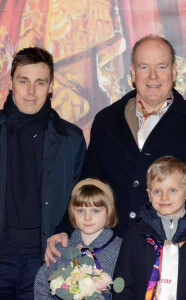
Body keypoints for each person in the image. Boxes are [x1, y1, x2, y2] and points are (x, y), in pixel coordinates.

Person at [46, 34, 186, 265]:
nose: (153, 76)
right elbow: (89, 185)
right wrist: (65, 228)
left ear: (174, 72)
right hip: (113, 257)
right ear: (133, 74)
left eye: (161, 67)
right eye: (144, 67)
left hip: (178, 256)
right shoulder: (106, 121)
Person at [0, 47, 86, 300]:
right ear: (11, 82)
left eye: (40, 82)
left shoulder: (71, 139)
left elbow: (79, 199)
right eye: (23, 81)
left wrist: (62, 233)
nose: (31, 91)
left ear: (50, 86)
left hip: (46, 260)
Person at [112, 156, 186, 299]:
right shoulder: (134, 237)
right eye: (157, 191)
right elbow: (123, 287)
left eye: (172, 190)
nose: (164, 197)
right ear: (149, 194)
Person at [34, 178, 122, 299]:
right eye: (80, 210)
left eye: (95, 210)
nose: (87, 217)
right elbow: (41, 285)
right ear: (72, 212)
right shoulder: (61, 250)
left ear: (109, 211)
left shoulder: (120, 250)